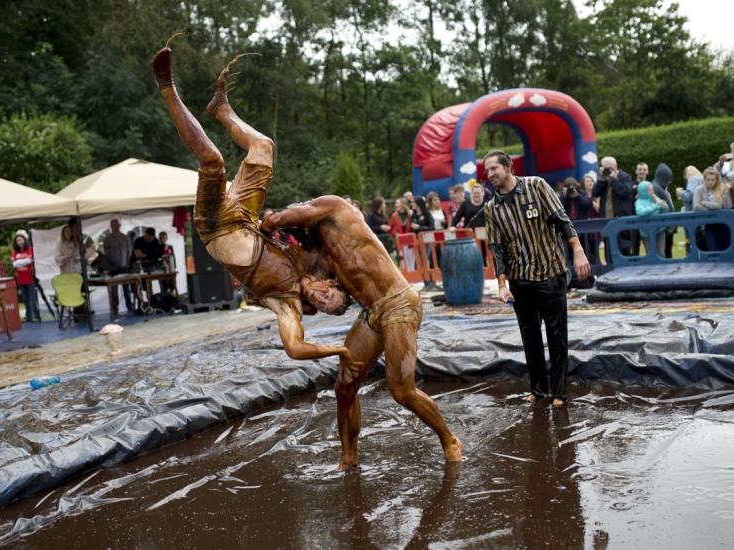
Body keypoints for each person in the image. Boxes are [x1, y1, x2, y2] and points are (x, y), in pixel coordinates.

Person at [152, 44, 357, 368]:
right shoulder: (313, 262)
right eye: (328, 296)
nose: (320, 299)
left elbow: (295, 348)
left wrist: (340, 350)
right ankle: (220, 108)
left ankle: (167, 86)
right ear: (330, 283)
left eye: (323, 307)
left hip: (217, 226)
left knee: (212, 161)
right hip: (245, 219)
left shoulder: (286, 305)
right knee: (263, 146)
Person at [261, 196, 463, 469]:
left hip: (398, 302)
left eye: (301, 221)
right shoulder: (319, 254)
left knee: (402, 391)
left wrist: (265, 227)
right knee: (344, 388)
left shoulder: (337, 209)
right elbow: (299, 290)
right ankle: (348, 455)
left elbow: (277, 220)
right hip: (371, 313)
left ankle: (449, 439)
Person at [482, 150, 590, 407]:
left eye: (494, 168)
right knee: (530, 338)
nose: (490, 174)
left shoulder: (537, 186)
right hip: (520, 280)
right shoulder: (491, 208)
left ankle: (559, 393)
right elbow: (496, 248)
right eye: (487, 171)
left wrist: (578, 250)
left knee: (556, 335)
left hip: (550, 272)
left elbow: (562, 220)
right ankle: (539, 389)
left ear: (508, 167)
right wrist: (501, 285)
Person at [592, 156, 634, 256]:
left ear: (616, 166)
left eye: (609, 167)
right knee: (609, 253)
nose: (607, 170)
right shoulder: (604, 180)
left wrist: (614, 179)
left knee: (624, 251)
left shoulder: (625, 177)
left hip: (621, 220)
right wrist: (600, 179)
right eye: (604, 167)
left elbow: (624, 192)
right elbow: (595, 193)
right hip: (607, 221)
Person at [694, 167, 733, 251]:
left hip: (723, 223)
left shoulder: (722, 188)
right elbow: (696, 207)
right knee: (713, 248)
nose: (710, 182)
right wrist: (716, 207)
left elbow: (726, 206)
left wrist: (704, 203)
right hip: (708, 223)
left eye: (713, 180)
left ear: (716, 180)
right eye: (708, 180)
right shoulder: (699, 190)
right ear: (704, 179)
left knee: (725, 248)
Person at [103, 219, 134, 313]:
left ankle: (129, 307)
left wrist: (128, 263)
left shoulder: (125, 237)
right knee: (113, 290)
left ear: (119, 225)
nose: (115, 226)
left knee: (126, 289)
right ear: (111, 226)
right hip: (112, 268)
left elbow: (129, 251)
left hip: (124, 266)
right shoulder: (107, 238)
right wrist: (107, 266)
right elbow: (106, 253)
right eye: (113, 225)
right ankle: (115, 308)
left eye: (116, 225)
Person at [634, 181, 670, 257]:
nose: (652, 192)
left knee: (661, 253)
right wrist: (656, 207)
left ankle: (663, 268)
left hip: (659, 230)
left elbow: (666, 209)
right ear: (644, 191)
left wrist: (664, 206)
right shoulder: (638, 202)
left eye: (652, 189)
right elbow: (641, 212)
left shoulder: (655, 198)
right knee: (650, 254)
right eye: (650, 190)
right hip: (646, 232)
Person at [11, 232, 40, 322]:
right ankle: (29, 317)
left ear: (24, 240)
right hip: (20, 279)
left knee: (32, 298)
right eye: (17, 240)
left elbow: (30, 260)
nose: (19, 242)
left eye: (21, 240)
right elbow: (13, 264)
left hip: (29, 277)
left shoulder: (30, 249)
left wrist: (19, 262)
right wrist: (24, 261)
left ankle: (36, 315)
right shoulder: (15, 252)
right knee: (25, 298)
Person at [649, 163, 676, 258]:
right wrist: (671, 225)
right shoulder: (658, 188)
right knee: (666, 251)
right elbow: (667, 207)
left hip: (663, 226)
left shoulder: (656, 187)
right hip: (664, 227)